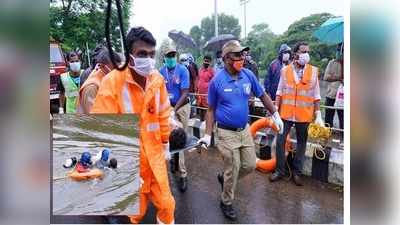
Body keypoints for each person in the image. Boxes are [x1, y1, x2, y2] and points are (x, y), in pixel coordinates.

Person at [91, 27, 175, 224]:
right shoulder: (112, 82)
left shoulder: (157, 80)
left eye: (152, 54)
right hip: (129, 161)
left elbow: (163, 114)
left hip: (154, 157)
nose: (148, 59)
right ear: (130, 56)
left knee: (167, 204)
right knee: (133, 213)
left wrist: (165, 144)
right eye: (142, 54)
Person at [198, 40, 284, 220]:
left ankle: (225, 177)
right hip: (225, 132)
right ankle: (226, 201)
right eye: (238, 55)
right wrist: (207, 135)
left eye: (243, 54)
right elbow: (211, 110)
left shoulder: (248, 75)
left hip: (244, 130)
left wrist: (275, 114)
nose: (242, 58)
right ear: (227, 58)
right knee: (234, 165)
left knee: (250, 165)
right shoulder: (217, 81)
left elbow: (262, 94)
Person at [270, 41, 324, 186]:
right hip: (285, 114)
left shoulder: (313, 71)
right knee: (280, 141)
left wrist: (318, 114)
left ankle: (297, 172)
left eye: (308, 52)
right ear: (295, 54)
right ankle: (280, 171)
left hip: (304, 114)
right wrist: (275, 112)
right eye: (303, 51)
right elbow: (279, 92)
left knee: (302, 143)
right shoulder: (285, 70)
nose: (306, 55)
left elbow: (316, 94)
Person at [159, 45, 190, 193]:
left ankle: (183, 174)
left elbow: (185, 93)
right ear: (164, 57)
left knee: (181, 139)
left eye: (173, 55)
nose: (171, 58)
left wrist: (174, 109)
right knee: (169, 137)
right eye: (168, 56)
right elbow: (159, 93)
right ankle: (173, 160)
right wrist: (166, 110)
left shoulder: (183, 70)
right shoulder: (160, 72)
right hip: (167, 108)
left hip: (182, 107)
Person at [77, 48, 121, 113]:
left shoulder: (108, 81)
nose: (117, 72)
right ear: (101, 66)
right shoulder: (92, 86)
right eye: (114, 68)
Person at [323, 43, 344, 131]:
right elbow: (326, 77)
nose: (339, 52)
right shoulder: (332, 63)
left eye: (340, 50)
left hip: (344, 97)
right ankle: (327, 135)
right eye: (338, 50)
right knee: (328, 118)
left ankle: (344, 136)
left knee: (343, 118)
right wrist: (339, 78)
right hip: (331, 94)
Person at [197, 55, 215, 121]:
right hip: (200, 94)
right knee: (201, 109)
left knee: (207, 110)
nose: (206, 62)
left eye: (207, 61)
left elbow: (214, 82)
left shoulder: (212, 71)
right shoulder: (200, 69)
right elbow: (198, 79)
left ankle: (207, 124)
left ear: (210, 62)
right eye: (205, 60)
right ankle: (201, 122)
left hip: (207, 94)